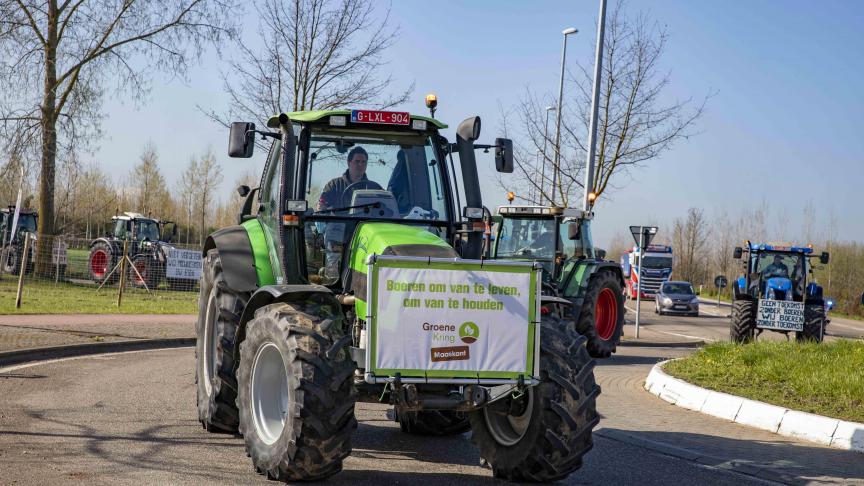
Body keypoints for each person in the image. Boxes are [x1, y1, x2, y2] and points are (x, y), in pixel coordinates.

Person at [317, 146, 382, 211]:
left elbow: (386, 209)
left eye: (363, 162)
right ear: (348, 163)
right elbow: (321, 206)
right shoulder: (334, 185)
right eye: (357, 161)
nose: (360, 164)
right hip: (340, 220)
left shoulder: (375, 188)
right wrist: (321, 207)